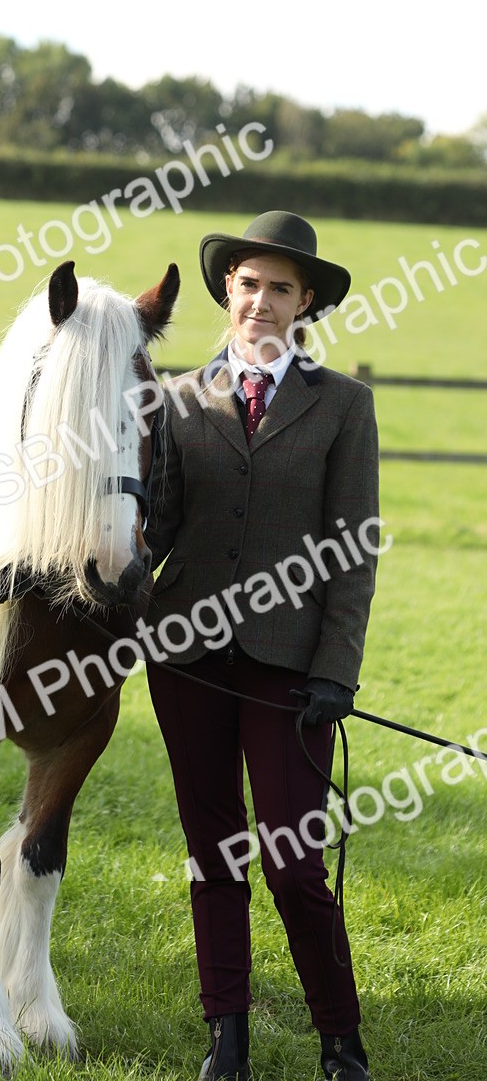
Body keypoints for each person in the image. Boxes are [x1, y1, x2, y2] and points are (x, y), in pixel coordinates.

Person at [144, 211, 379, 1081]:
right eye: (249, 283)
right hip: (186, 660)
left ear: (305, 301)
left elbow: (354, 552)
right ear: (228, 291)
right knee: (213, 854)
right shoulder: (177, 398)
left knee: (291, 861)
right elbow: (157, 528)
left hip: (291, 671)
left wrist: (335, 673)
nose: (262, 301)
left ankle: (339, 1038)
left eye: (282, 287)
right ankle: (226, 1038)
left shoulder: (345, 406)